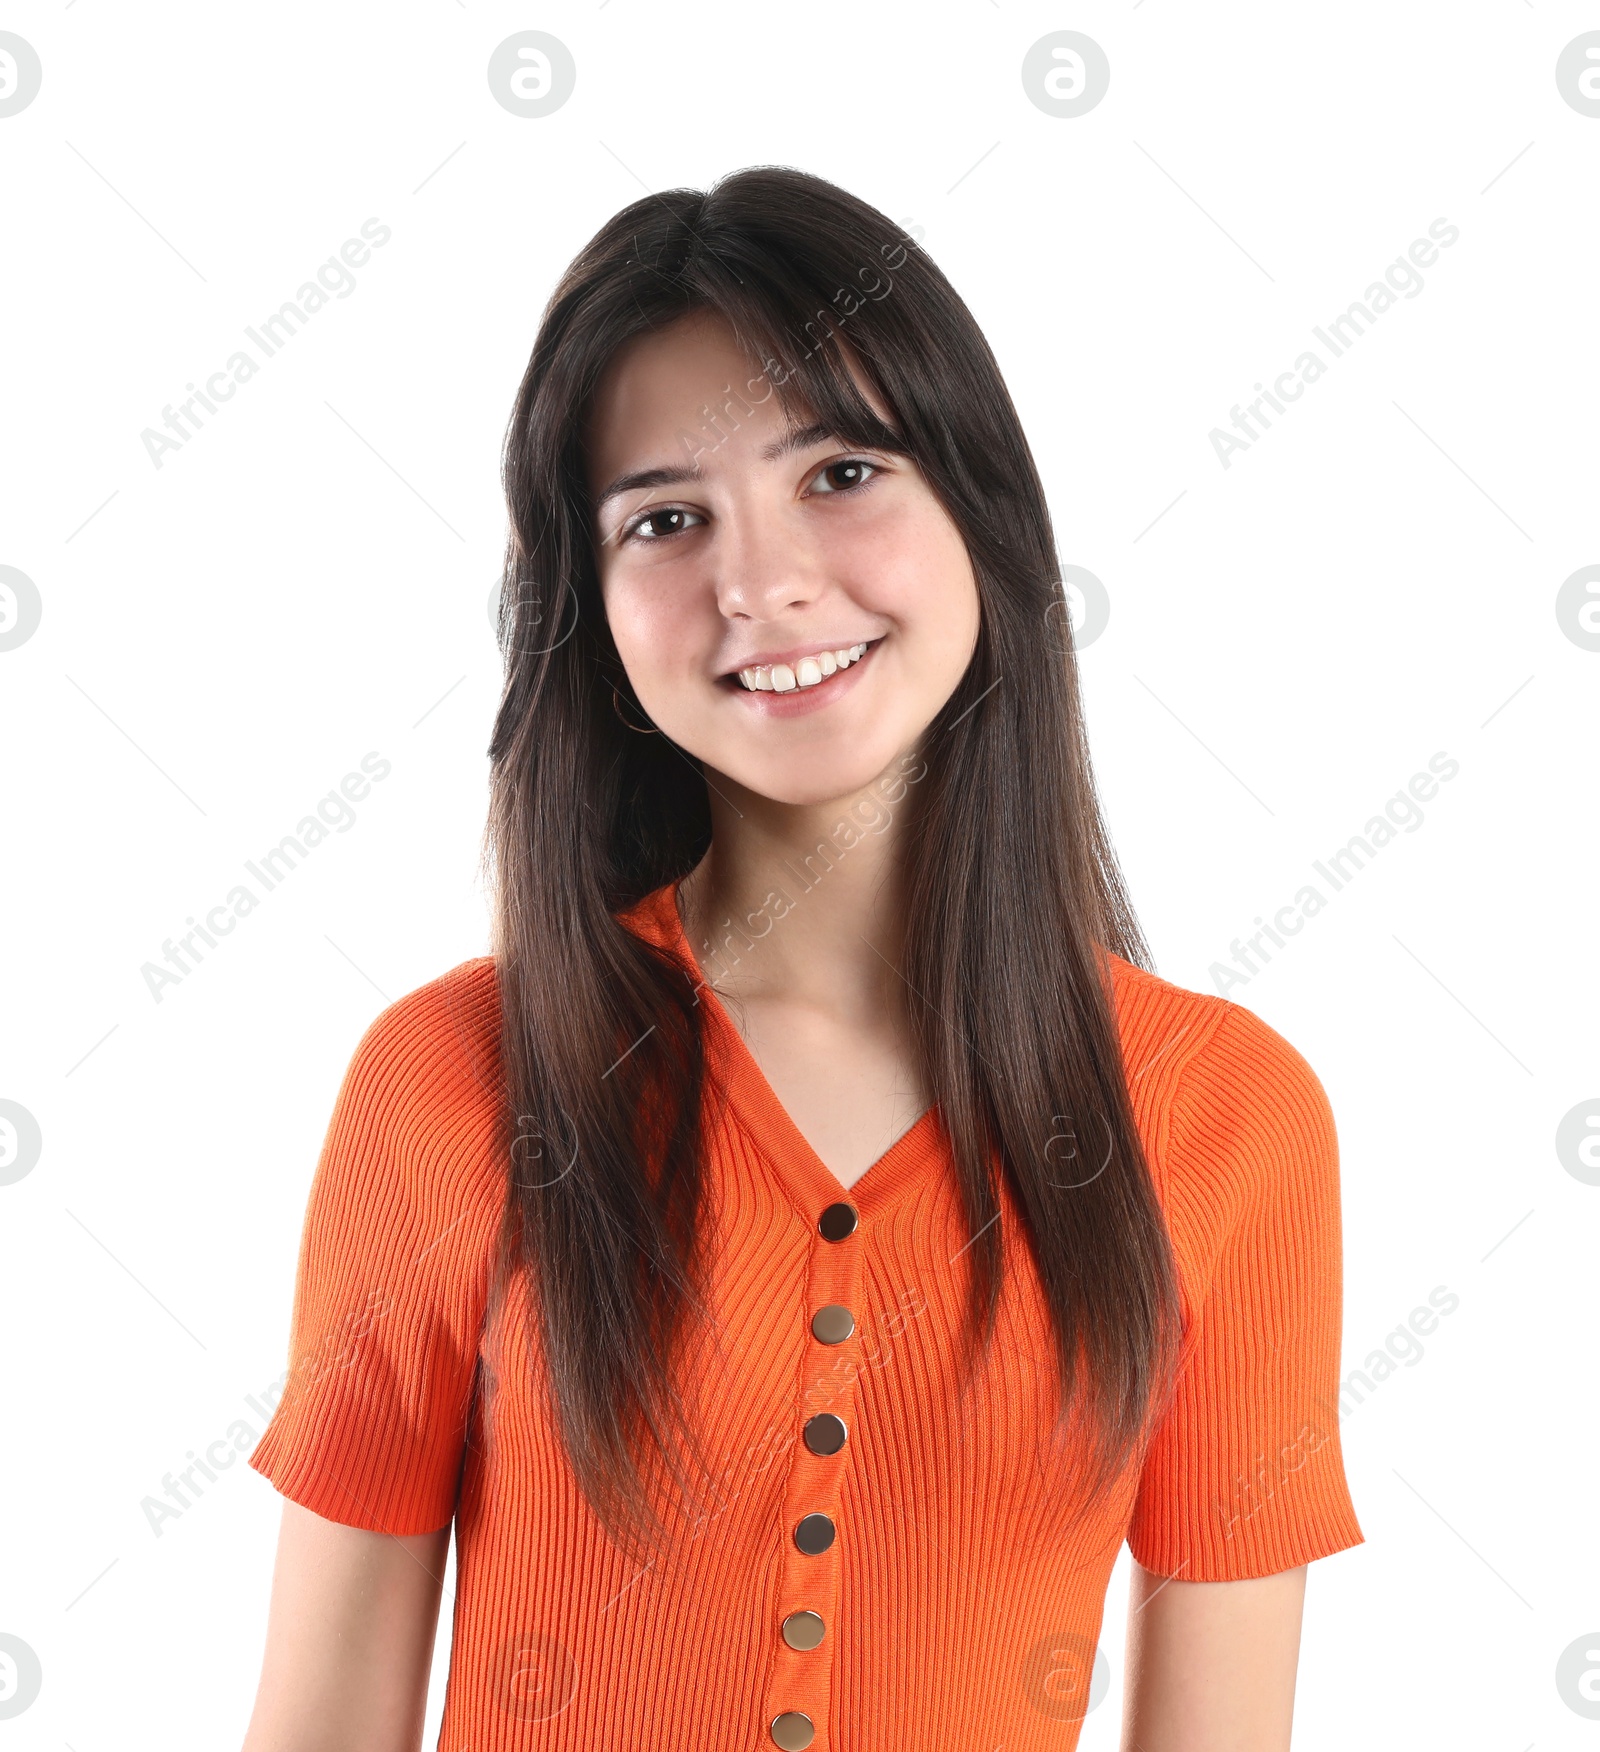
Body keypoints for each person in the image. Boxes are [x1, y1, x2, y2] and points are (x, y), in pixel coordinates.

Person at [241, 166, 1363, 1752]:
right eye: (667, 518)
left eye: (840, 472)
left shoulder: (1227, 1117)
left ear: (982, 506)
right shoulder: (449, 1083)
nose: (760, 583)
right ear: (592, 609)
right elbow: (319, 1726)